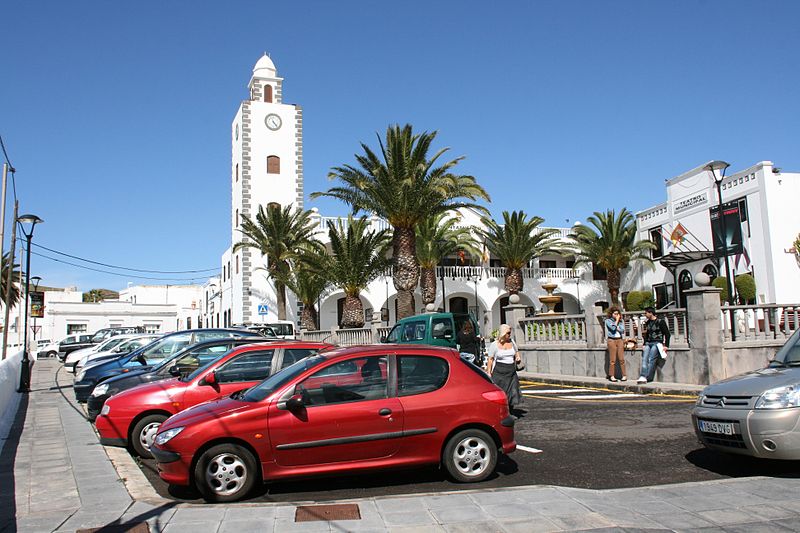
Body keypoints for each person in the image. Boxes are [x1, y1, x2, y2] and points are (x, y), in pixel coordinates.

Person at [486, 324, 523, 413]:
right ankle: (499, 411)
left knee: (512, 392)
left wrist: (518, 358)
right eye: (508, 333)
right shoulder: (494, 345)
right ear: (503, 333)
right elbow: (490, 359)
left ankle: (509, 410)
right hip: (499, 372)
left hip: (511, 372)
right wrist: (489, 372)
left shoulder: (512, 342)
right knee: (501, 393)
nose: (510, 335)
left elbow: (516, 352)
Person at [638, 306, 671, 384]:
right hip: (648, 343)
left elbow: (667, 334)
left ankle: (647, 376)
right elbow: (646, 334)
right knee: (644, 358)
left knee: (651, 359)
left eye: (646, 313)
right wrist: (644, 343)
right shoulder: (647, 322)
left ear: (651, 313)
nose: (645, 315)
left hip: (657, 343)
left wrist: (666, 345)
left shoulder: (660, 322)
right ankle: (643, 375)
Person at [605, 307, 627, 382]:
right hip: (612, 340)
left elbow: (622, 330)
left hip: (619, 339)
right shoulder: (608, 321)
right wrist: (616, 322)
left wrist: (617, 325)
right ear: (611, 314)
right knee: (612, 359)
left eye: (618, 314)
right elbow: (613, 329)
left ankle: (624, 375)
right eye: (615, 314)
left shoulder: (621, 322)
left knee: (621, 359)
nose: (617, 315)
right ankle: (612, 375)